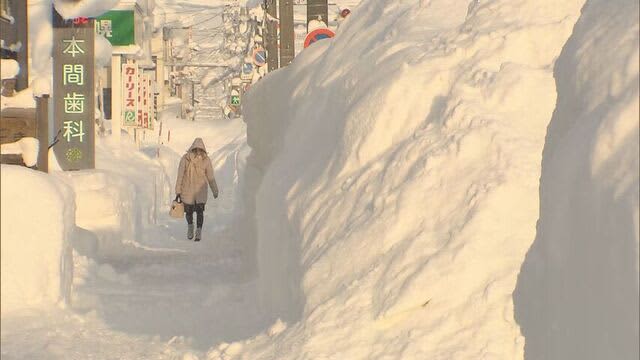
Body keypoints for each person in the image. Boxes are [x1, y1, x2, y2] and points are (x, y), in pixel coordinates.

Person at [175, 138, 219, 241]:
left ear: (203, 149)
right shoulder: (185, 159)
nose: (198, 151)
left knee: (200, 212)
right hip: (187, 190)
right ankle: (190, 226)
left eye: (200, 149)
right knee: (188, 212)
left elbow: (210, 177)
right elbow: (180, 176)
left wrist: (215, 190)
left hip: (200, 191)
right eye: (196, 149)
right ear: (193, 148)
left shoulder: (206, 160)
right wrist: (178, 190)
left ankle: (198, 231)